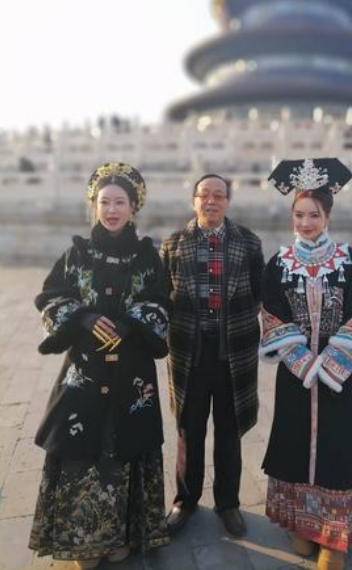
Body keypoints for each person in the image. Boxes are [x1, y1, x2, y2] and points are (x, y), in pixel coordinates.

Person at [29, 162, 170, 569]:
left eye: (120, 202)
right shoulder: (76, 254)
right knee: (81, 447)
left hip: (132, 372)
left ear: (133, 207)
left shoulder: (147, 257)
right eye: (105, 202)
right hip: (85, 372)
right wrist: (83, 318)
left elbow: (162, 300)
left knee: (124, 449)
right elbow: (50, 296)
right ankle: (82, 541)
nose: (112, 210)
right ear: (94, 204)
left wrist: (130, 324)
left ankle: (120, 538)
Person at [259, 158, 352, 570]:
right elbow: (272, 314)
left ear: (328, 215)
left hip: (341, 375)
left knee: (338, 449)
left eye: (314, 215)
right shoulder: (279, 262)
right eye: (299, 215)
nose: (305, 223)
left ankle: (334, 538)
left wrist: (330, 364)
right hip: (296, 373)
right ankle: (301, 524)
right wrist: (302, 362)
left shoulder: (347, 259)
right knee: (294, 444)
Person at [161, 173, 264, 537]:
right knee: (188, 431)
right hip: (189, 353)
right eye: (204, 194)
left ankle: (228, 502)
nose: (211, 201)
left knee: (229, 431)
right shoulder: (174, 244)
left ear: (228, 202)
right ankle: (185, 501)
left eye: (219, 195)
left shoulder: (248, 243)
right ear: (194, 201)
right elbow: (162, 295)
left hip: (233, 351)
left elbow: (259, 292)